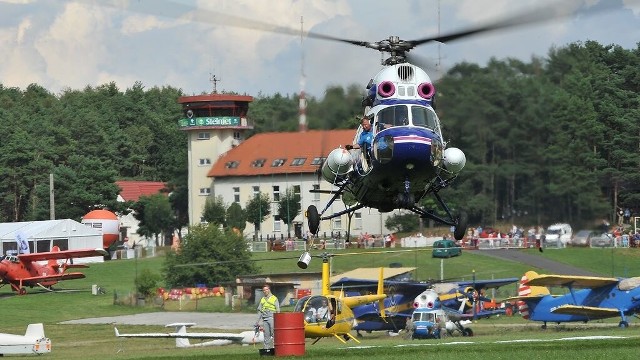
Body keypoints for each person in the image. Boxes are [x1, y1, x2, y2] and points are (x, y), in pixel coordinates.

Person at [256, 285, 280, 351]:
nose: (265, 291)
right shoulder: (262, 299)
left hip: (272, 318)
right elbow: (260, 311)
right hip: (265, 319)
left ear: (269, 290)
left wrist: (278, 320)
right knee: (266, 335)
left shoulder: (274, 298)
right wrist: (257, 321)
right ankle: (266, 349)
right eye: (264, 290)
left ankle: (276, 348)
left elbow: (278, 310)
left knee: (274, 333)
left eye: (266, 289)